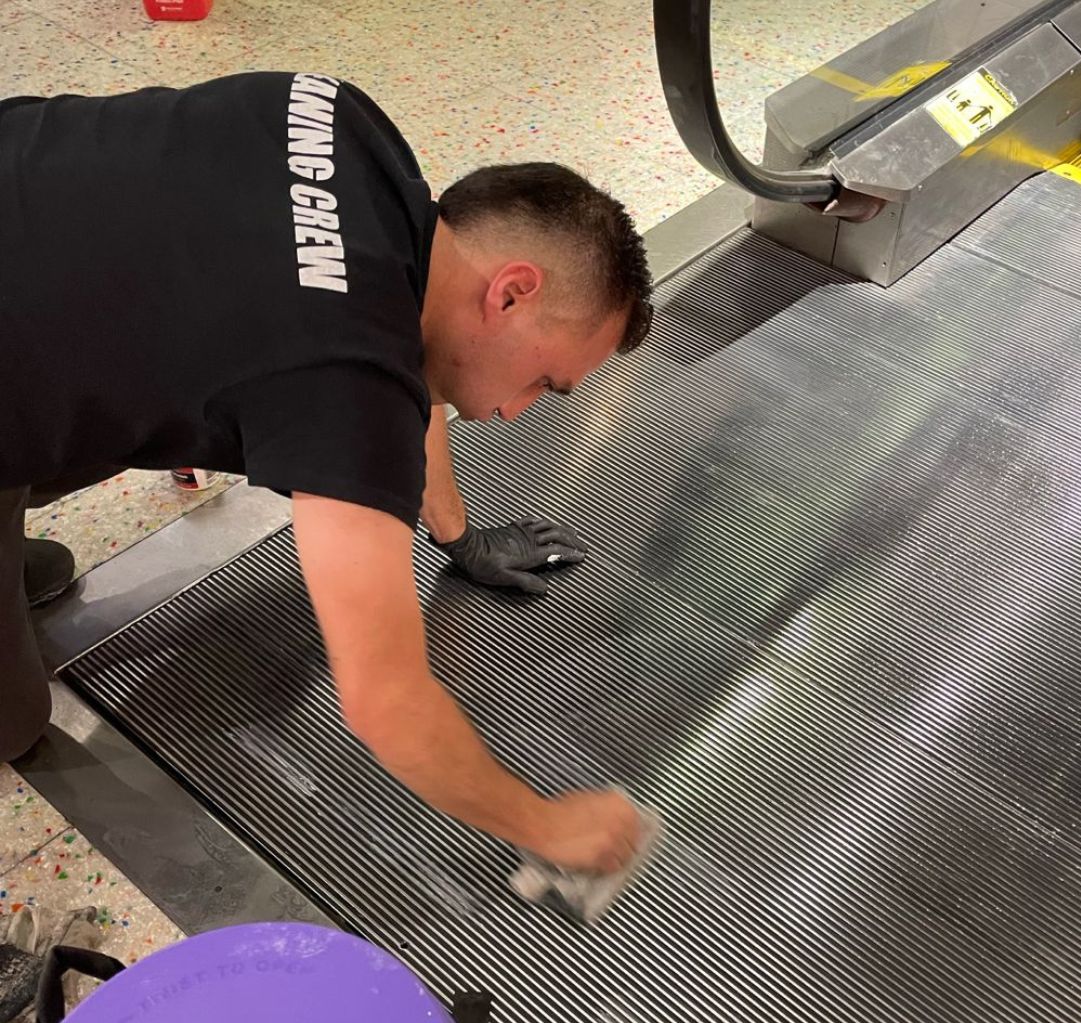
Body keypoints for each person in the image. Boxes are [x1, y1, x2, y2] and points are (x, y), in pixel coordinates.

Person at [0, 71, 654, 875]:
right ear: (512, 292)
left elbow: (404, 361)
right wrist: (547, 827)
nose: (519, 412)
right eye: (544, 382)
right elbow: (387, 705)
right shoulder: (342, 386)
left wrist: (458, 535)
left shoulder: (349, 129)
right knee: (12, 721)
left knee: (157, 365)